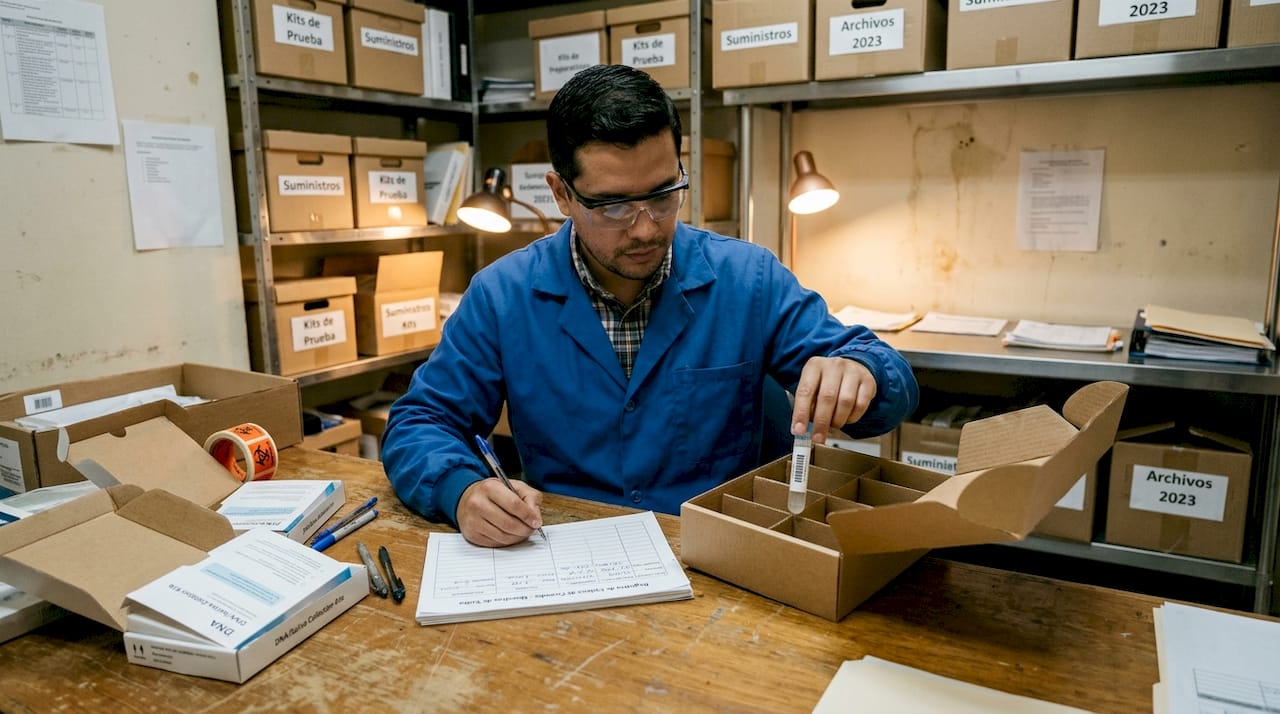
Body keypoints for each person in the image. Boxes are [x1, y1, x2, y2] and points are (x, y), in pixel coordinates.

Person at [382, 64, 918, 547]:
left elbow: (887, 377)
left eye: (664, 194)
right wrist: (460, 490)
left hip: (717, 555)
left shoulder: (748, 279)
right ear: (561, 193)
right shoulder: (503, 295)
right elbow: (421, 420)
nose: (645, 227)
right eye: (614, 205)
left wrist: (862, 373)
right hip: (565, 550)